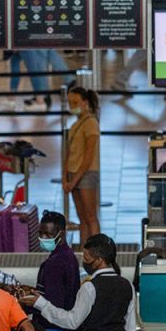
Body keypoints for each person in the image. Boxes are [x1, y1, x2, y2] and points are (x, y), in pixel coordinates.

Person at [22, 233, 134, 331]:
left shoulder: (90, 288)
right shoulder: (127, 285)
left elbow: (72, 321)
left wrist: (41, 304)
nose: (85, 261)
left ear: (99, 260)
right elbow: (130, 327)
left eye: (87, 257)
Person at [64, 84, 101, 242]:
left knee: (91, 216)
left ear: (85, 103)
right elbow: (70, 153)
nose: (72, 106)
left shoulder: (91, 123)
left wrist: (74, 180)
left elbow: (88, 156)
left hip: (86, 174)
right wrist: (66, 178)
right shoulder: (75, 124)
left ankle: (98, 250)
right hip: (74, 174)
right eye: (70, 103)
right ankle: (86, 250)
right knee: (82, 218)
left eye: (75, 102)